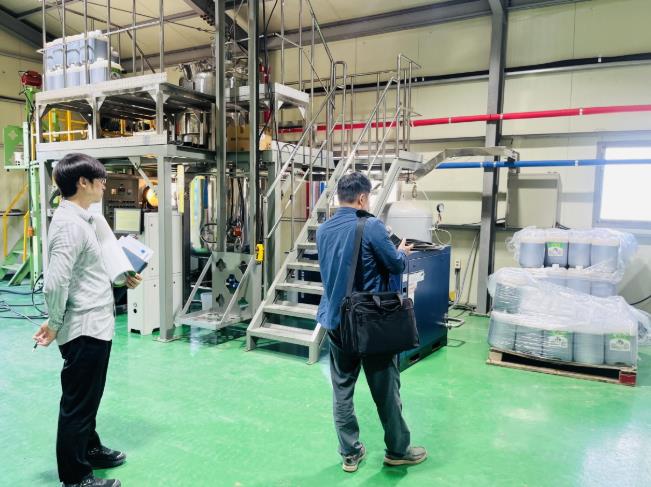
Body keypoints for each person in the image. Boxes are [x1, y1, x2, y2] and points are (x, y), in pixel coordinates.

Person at [33, 153, 142, 487]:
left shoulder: (86, 219)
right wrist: (54, 323)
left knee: (89, 397)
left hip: (96, 324)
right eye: (100, 179)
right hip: (83, 329)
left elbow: (89, 270)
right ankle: (76, 477)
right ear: (83, 182)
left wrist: (122, 276)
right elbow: (55, 283)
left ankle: (90, 449)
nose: (105, 185)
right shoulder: (69, 226)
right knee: (77, 405)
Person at [316, 171, 428, 473]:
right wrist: (401, 253)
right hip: (371, 323)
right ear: (363, 198)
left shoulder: (323, 229)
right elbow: (394, 264)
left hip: (336, 321)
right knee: (386, 391)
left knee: (342, 390)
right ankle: (398, 451)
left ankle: (349, 453)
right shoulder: (371, 225)